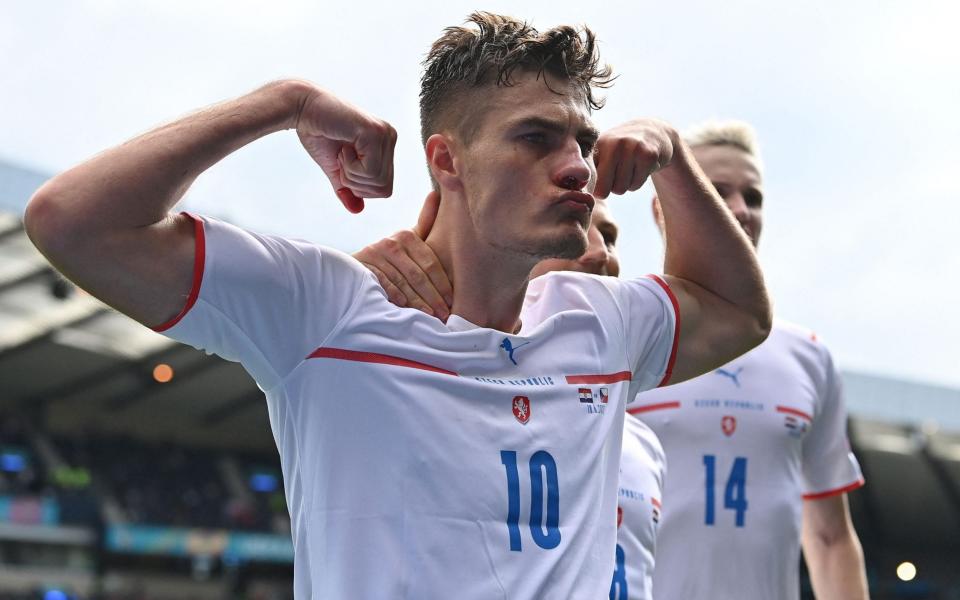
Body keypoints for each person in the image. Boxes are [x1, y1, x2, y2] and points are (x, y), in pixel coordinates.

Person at [23, 12, 770, 598]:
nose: (577, 167)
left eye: (583, 139)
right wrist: (281, 103)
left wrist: (670, 151)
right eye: (536, 138)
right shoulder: (325, 309)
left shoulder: (599, 324)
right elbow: (71, 222)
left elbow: (740, 311)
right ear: (446, 161)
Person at [632, 121, 868, 600]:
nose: (740, 210)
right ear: (662, 210)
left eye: (753, 197)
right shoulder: (623, 336)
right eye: (717, 192)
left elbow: (829, 537)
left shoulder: (808, 357)